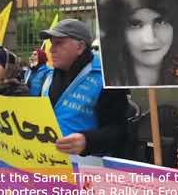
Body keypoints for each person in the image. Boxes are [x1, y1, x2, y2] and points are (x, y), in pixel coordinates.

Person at [37, 19, 132, 157]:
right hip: (46, 162)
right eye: (52, 43)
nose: (51, 50)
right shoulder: (49, 75)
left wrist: (87, 141)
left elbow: (120, 131)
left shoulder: (106, 78)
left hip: (87, 168)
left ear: (80, 47)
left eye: (59, 43)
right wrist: (3, 125)